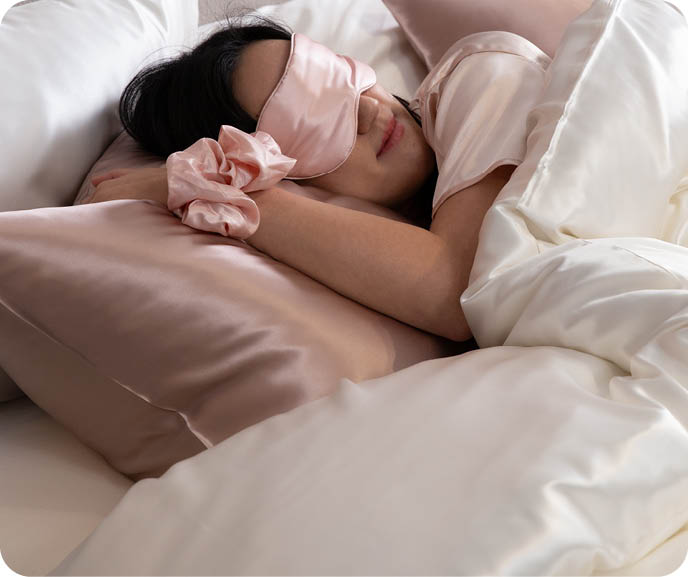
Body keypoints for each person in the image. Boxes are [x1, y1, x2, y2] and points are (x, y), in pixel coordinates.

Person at [88, 14, 552, 343]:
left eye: (337, 76)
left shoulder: (483, 70)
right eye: (311, 122)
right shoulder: (365, 240)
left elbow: (458, 294)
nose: (371, 109)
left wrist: (216, 186)